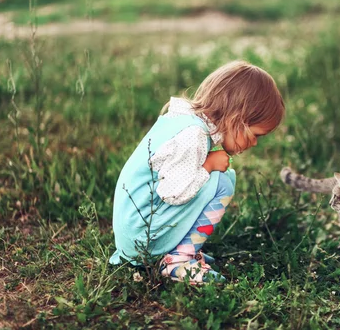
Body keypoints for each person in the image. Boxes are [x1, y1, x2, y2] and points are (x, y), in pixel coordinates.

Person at [110, 60, 285, 284]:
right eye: (256, 135)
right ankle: (178, 260)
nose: (255, 144)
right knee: (222, 181)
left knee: (220, 177)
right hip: (143, 239)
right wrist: (208, 166)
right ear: (237, 118)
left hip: (138, 231)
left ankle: (180, 249)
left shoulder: (185, 122)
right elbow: (172, 193)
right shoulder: (194, 135)